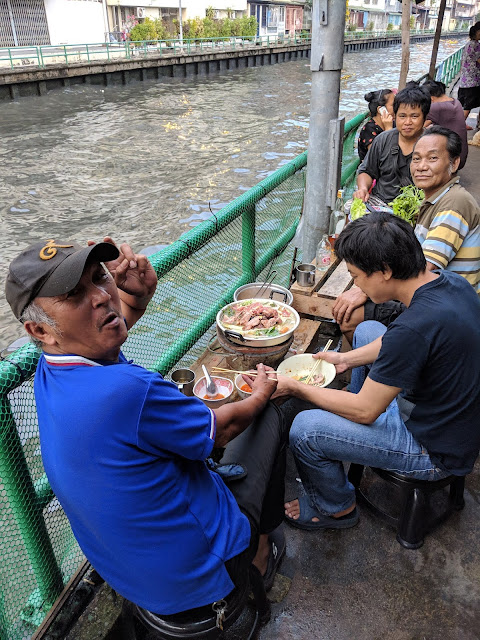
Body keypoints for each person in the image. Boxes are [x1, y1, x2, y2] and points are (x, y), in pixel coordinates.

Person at [5, 237, 287, 616]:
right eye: (74, 295)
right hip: (197, 578)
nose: (103, 297)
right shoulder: (126, 392)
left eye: (99, 277)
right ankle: (260, 556)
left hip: (130, 574)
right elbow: (220, 431)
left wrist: (137, 298)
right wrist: (262, 392)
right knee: (271, 416)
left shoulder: (52, 369)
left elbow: (103, 349)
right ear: (39, 331)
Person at [275, 212, 480, 530]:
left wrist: (295, 387)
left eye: (356, 276)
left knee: (305, 428)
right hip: (455, 419)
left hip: (434, 448)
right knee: (368, 329)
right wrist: (345, 360)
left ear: (384, 271)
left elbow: (367, 411)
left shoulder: (413, 329)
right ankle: (349, 420)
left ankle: (336, 508)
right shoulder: (450, 283)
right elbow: (399, 343)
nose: (356, 284)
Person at [334, 126, 480, 344]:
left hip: (445, 310)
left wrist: (363, 291)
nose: (421, 167)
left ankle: (389, 370)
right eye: (416, 159)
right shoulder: (435, 199)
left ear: (454, 163)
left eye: (432, 159)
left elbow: (426, 265)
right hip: (436, 299)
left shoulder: (455, 203)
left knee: (349, 317)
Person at [351, 85, 430, 213]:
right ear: (394, 116)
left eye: (414, 116)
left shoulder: (433, 144)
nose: (407, 122)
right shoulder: (382, 139)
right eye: (402, 116)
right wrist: (363, 189)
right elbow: (366, 171)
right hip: (381, 203)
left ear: (424, 117)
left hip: (418, 208)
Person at [422, 79, 468, 169]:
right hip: (460, 157)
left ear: (431, 99)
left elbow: (418, 124)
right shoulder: (454, 102)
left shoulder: (436, 107)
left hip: (452, 161)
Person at [357, 89, 395, 161]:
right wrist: (388, 129)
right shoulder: (369, 130)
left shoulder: (394, 123)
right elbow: (380, 158)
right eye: (393, 105)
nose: (397, 107)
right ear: (381, 110)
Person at [458, 23, 480, 130]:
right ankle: (461, 125)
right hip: (473, 80)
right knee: (468, 105)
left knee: (464, 104)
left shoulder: (468, 44)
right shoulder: (476, 45)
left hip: (465, 79)